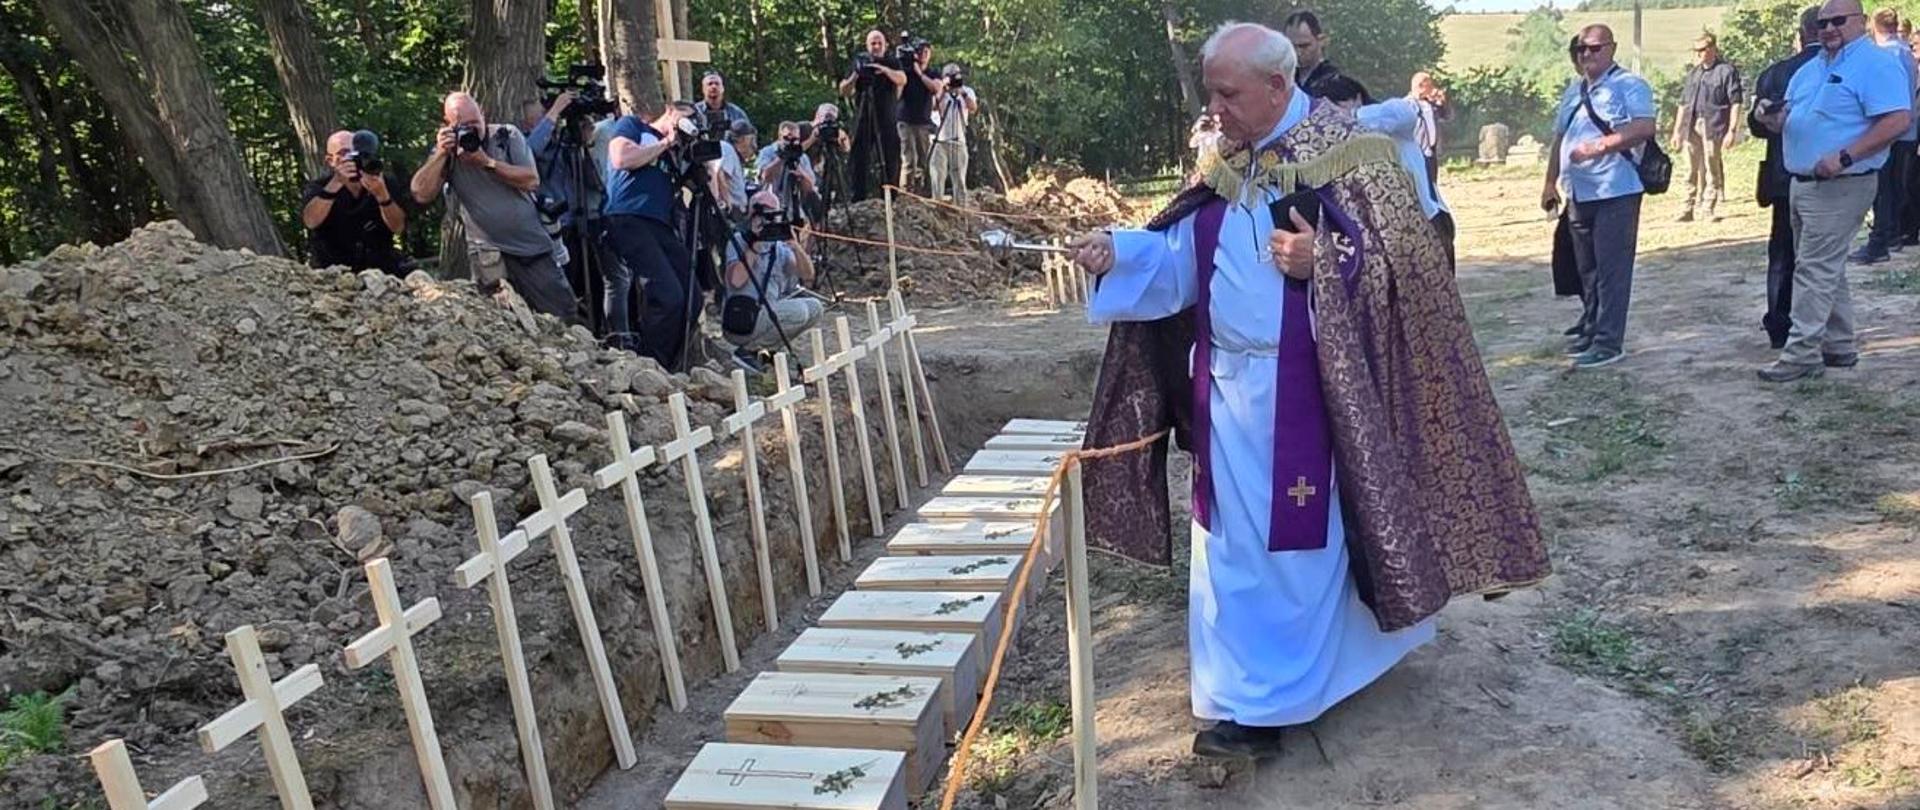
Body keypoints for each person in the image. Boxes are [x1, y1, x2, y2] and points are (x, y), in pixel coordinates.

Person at [1069, 22, 1548, 760]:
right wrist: (1117, 251)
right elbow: (1182, 263)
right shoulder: (1228, 159)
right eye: (1211, 93)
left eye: (1227, 93)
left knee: (1298, 547)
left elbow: (1413, 276)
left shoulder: (1355, 152)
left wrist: (1325, 262)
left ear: (1277, 85)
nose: (1215, 108)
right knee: (1231, 547)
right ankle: (1245, 688)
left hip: (1316, 394)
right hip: (1229, 390)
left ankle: (1267, 706)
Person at [1756, 0, 1911, 381]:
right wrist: (1771, 117)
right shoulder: (1811, 70)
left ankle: (1801, 355)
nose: (1828, 29)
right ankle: (1839, 345)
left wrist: (1844, 157)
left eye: (1838, 21)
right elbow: (1792, 119)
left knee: (1812, 269)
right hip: (1801, 183)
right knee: (1826, 267)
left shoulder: (1876, 64)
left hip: (1842, 183)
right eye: (1823, 22)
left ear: (1860, 21)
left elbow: (1896, 120)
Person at [1542, 25, 1657, 370]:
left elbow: (1644, 127)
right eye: (1581, 50)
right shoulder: (1573, 91)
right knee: (1587, 270)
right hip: (1579, 192)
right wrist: (1549, 182)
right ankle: (1593, 329)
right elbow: (1559, 138)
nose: (1587, 55)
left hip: (1616, 189)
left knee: (1612, 271)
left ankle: (1609, 342)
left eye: (1594, 48)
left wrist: (1597, 146)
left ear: (1611, 48)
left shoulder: (1629, 85)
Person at [410, 92, 581, 322]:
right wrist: (441, 153)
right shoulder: (449, 154)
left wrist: (487, 163)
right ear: (449, 126)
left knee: (563, 313)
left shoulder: (506, 136)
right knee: (501, 322)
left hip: (531, 247)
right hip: (489, 254)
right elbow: (420, 193)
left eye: (474, 123)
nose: (472, 131)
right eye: (464, 126)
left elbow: (531, 180)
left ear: (483, 113)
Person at [1321, 76, 1456, 270]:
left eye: (1335, 105)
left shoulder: (1390, 122)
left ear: (1357, 98)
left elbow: (1405, 113)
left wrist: (1353, 115)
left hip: (1427, 223)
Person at [602, 100, 697, 368]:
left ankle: (670, 363)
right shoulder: (634, 126)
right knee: (666, 294)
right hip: (628, 216)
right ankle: (650, 364)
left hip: (661, 224)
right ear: (668, 110)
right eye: (682, 118)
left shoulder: (676, 150)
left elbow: (697, 186)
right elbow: (622, 158)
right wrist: (666, 142)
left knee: (692, 296)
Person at [1750, 7, 1823, 350]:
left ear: (1800, 34)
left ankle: (1779, 324)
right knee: (1820, 255)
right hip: (1827, 172)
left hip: (1783, 175)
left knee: (1782, 253)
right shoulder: (1832, 70)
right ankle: (1816, 325)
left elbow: (1756, 126)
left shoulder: (1775, 73)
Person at [526, 91, 611, 336]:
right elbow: (530, 151)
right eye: (542, 117)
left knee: (595, 282)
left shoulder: (566, 143)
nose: (549, 123)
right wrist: (554, 113)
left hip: (581, 220)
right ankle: (569, 333)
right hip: (554, 225)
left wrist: (585, 141)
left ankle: (599, 333)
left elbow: (594, 181)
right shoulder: (527, 141)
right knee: (565, 284)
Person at [719, 191, 825, 371]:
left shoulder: (779, 247)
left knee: (815, 307)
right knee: (798, 311)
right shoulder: (738, 241)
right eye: (763, 215)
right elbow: (736, 281)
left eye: (772, 215)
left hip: (767, 312)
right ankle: (748, 351)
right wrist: (755, 245)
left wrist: (794, 245)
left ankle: (765, 350)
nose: (767, 221)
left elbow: (808, 275)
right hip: (741, 317)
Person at [1848, 7, 1917, 263]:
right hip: (1908, 130)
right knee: (1897, 185)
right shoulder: (1907, 53)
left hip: (1889, 130)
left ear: (1873, 26)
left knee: (1882, 187)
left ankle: (1881, 240)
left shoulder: (1884, 55)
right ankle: (1895, 233)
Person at [302, 130, 408, 275]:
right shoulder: (319, 187)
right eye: (344, 154)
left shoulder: (385, 183)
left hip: (381, 272)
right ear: (330, 161)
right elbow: (311, 221)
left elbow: (398, 227)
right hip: (332, 273)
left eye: (356, 152)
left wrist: (383, 196)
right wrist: (335, 184)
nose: (351, 159)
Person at [1673, 33, 1744, 223]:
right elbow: (1683, 103)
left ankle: (1707, 208)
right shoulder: (1693, 74)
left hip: (1714, 125)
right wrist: (1677, 131)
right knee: (1690, 168)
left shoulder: (1726, 72)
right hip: (1691, 125)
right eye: (1696, 50)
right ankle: (1687, 208)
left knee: (1712, 166)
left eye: (1702, 50)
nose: (1698, 54)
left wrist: (1732, 130)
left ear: (1712, 49)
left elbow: (1736, 102)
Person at [839, 30, 908, 202]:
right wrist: (857, 74)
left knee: (890, 155)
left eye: (879, 43)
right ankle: (858, 196)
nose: (876, 47)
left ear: (885, 45)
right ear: (867, 45)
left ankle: (890, 195)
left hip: (887, 115)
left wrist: (883, 70)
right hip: (864, 114)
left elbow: (902, 79)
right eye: (872, 43)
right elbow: (844, 90)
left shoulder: (892, 61)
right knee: (859, 156)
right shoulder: (859, 60)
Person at [897, 41, 943, 194]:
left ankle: (924, 191)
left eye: (926, 52)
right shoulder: (907, 71)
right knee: (909, 159)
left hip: (923, 121)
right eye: (920, 51)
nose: (923, 54)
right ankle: (906, 192)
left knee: (925, 159)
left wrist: (920, 73)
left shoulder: (932, 73)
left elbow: (936, 88)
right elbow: (897, 90)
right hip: (905, 119)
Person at [1282, 11, 1361, 99]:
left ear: (1321, 41)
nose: (1297, 52)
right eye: (1291, 46)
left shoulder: (1338, 84)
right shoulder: (1283, 81)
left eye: (1304, 46)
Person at [929, 63, 979, 205]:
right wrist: (942, 90)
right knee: (937, 178)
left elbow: (973, 108)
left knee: (960, 180)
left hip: (959, 140)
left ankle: (961, 210)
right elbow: (931, 107)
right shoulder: (939, 91)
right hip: (940, 140)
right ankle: (936, 207)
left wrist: (962, 92)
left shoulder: (967, 91)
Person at [759, 121, 820, 217]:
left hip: (795, 209)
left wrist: (801, 173)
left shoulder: (802, 157)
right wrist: (781, 158)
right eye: (787, 138)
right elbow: (765, 177)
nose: (791, 142)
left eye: (795, 139)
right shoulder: (767, 152)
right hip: (772, 208)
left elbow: (810, 188)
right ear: (779, 137)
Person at [1407, 71, 1451, 188]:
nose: (1433, 89)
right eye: (1430, 86)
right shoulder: (1406, 105)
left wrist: (1442, 102)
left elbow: (1447, 116)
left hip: (1431, 151)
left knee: (1432, 184)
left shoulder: (1430, 104)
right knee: (1418, 184)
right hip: (1416, 150)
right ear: (1420, 87)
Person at [715, 119, 756, 215]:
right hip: (730, 211)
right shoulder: (728, 149)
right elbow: (721, 175)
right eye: (751, 139)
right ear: (743, 139)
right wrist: (727, 203)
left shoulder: (731, 151)